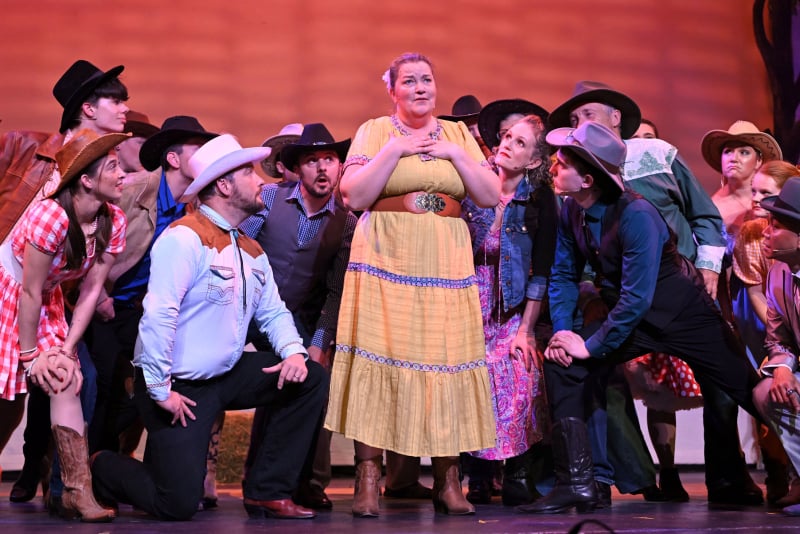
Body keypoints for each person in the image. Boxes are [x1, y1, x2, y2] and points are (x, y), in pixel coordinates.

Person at [517, 121, 761, 514]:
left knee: (747, 388)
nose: (553, 168)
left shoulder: (637, 214)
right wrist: (564, 335)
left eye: (562, 164)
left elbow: (637, 296)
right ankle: (577, 483)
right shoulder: (572, 210)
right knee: (564, 366)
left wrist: (590, 346)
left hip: (684, 314)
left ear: (588, 179)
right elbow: (563, 274)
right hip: (632, 317)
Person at [90, 133, 328, 521]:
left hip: (226, 373)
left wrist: (294, 353)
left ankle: (268, 491)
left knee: (311, 377)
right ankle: (100, 464)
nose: (261, 181)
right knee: (177, 504)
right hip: (180, 384)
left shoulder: (250, 249)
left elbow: (273, 313)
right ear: (224, 186)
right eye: (249, 173)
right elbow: (159, 315)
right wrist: (160, 390)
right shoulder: (184, 238)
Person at [324, 52, 500, 517]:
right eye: (409, 81)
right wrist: (396, 150)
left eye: (426, 80)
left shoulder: (458, 135)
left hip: (444, 261)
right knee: (378, 358)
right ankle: (368, 478)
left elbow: (489, 195)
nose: (420, 88)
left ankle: (447, 479)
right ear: (393, 90)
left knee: (445, 362)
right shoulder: (374, 131)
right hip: (386, 255)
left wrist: (456, 154)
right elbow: (354, 195)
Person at [0, 59, 129, 506]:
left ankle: (69, 491)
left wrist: (64, 346)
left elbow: (87, 272)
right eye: (116, 100)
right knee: (9, 398)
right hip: (12, 284)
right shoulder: (27, 148)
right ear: (88, 109)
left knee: (73, 378)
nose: (125, 108)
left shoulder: (108, 181)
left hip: (52, 295)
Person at [84, 116, 218, 459]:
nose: (205, 156)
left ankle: (109, 462)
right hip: (102, 303)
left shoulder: (197, 207)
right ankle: (80, 466)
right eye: (196, 149)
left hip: (144, 311)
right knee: (102, 382)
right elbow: (89, 240)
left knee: (144, 387)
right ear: (173, 159)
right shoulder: (132, 191)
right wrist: (99, 295)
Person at [240, 122, 356, 510]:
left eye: (330, 159)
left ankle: (297, 482)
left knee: (311, 381)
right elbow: (237, 248)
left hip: (294, 319)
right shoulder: (271, 199)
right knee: (270, 381)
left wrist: (319, 343)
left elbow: (335, 291)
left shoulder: (346, 221)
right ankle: (259, 480)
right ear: (297, 168)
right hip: (248, 310)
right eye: (312, 161)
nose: (322, 168)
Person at [462, 114, 557, 506]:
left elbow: (542, 270)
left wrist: (526, 330)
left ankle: (517, 471)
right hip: (466, 302)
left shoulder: (539, 200)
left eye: (519, 143)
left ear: (533, 160)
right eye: (506, 137)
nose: (506, 145)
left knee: (520, 376)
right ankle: (479, 475)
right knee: (471, 381)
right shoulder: (472, 184)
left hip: (511, 308)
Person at [731, 160, 799, 505]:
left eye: (776, 226)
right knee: (766, 392)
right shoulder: (778, 273)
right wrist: (783, 368)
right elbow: (778, 337)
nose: (766, 232)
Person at [704, 120, 783, 240]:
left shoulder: (773, 199)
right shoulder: (712, 207)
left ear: (759, 161)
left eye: (744, 152)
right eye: (728, 151)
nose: (733, 158)